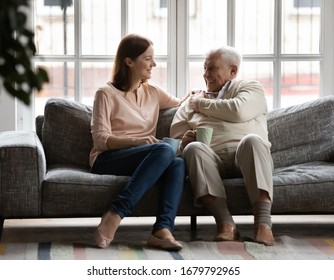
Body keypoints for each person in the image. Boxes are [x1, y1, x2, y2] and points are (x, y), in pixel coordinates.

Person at [90, 34, 188, 251]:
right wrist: (138, 141)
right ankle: (115, 214)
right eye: (148, 59)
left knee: (178, 162)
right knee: (163, 150)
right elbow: (101, 140)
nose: (154, 64)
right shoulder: (106, 94)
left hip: (145, 156)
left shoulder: (153, 92)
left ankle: (162, 230)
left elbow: (182, 103)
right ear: (129, 61)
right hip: (107, 158)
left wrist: (202, 97)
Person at [170, 46, 275, 246]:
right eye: (204, 68)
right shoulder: (189, 104)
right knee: (194, 149)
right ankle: (225, 224)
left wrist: (199, 104)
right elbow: (174, 140)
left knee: (252, 140)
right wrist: (183, 142)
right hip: (211, 159)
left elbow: (238, 111)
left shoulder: (250, 88)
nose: (205, 74)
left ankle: (263, 225)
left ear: (233, 71)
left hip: (244, 156)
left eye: (212, 69)